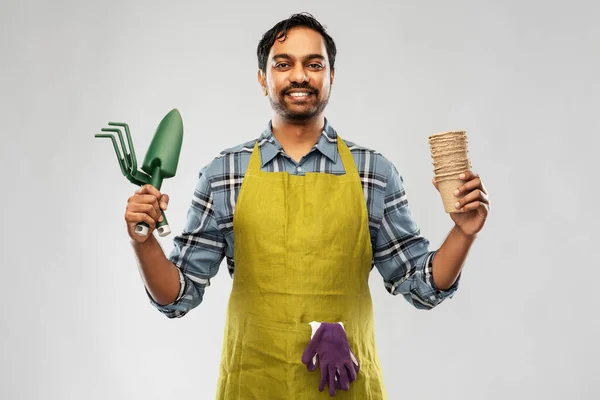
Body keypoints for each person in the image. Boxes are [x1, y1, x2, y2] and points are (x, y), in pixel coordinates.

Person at [124, 12, 490, 400]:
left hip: (348, 389)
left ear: (332, 76)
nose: (299, 76)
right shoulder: (223, 174)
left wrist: (463, 232)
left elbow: (421, 285)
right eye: (283, 64)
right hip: (253, 385)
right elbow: (178, 296)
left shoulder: (373, 173)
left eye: (314, 64)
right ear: (263, 78)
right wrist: (143, 243)